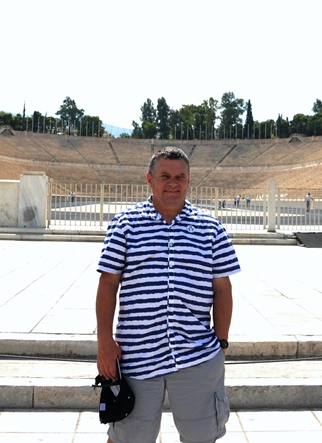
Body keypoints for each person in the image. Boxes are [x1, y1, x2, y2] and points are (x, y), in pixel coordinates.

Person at [96, 147, 240, 443]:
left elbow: (222, 288)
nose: (172, 183)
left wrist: (221, 340)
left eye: (180, 177)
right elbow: (108, 283)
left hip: (195, 355)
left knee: (202, 437)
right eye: (165, 176)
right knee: (127, 438)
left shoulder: (211, 228)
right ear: (150, 179)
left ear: (189, 181)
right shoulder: (125, 224)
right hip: (137, 356)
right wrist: (104, 342)